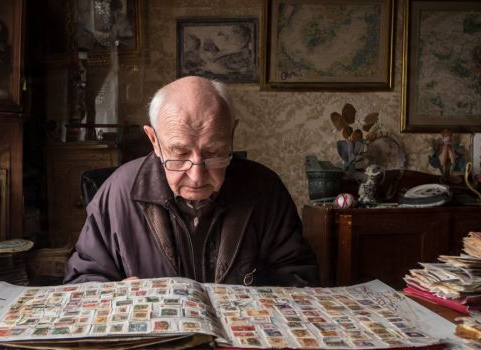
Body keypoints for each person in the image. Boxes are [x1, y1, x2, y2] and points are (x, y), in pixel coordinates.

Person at [64, 76, 318, 286]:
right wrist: (115, 295)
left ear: (231, 135)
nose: (196, 176)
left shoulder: (265, 189)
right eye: (180, 154)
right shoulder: (118, 192)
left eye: (214, 153)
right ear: (154, 141)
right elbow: (82, 281)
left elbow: (300, 277)